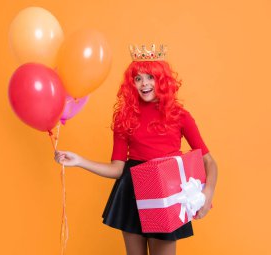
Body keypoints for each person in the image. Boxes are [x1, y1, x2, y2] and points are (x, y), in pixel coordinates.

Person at [54, 44, 218, 255]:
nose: (144, 83)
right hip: (132, 191)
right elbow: (117, 169)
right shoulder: (125, 118)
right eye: (138, 78)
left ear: (162, 80)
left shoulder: (180, 116)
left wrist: (208, 194)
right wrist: (79, 161)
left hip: (167, 191)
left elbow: (209, 161)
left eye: (150, 77)